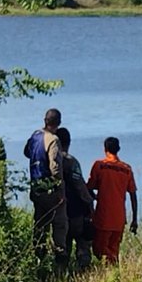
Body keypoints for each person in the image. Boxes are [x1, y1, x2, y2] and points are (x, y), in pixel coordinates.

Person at [23, 108, 68, 268]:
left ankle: (38, 260)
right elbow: (55, 168)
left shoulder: (35, 136)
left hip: (36, 188)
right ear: (58, 123)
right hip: (50, 190)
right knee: (59, 224)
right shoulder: (53, 140)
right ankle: (60, 260)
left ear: (45, 120)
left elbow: (27, 152)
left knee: (40, 225)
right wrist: (61, 191)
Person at [88, 137, 138, 264]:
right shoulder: (127, 169)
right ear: (118, 149)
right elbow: (133, 195)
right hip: (119, 219)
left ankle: (112, 272)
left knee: (99, 250)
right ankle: (114, 274)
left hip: (103, 217)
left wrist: (95, 197)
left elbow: (89, 187)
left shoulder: (99, 166)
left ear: (105, 149)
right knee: (113, 250)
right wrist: (134, 219)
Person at [56, 127, 94, 271]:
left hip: (58, 212)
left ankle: (61, 276)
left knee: (62, 248)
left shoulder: (50, 161)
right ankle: (84, 274)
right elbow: (80, 187)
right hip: (75, 211)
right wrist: (90, 204)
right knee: (83, 245)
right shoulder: (71, 162)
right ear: (69, 142)